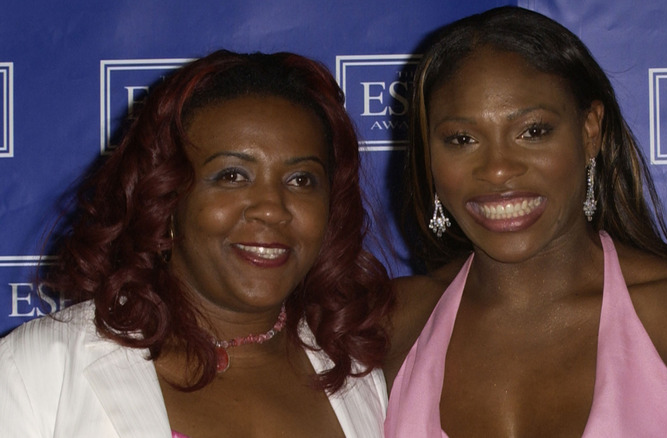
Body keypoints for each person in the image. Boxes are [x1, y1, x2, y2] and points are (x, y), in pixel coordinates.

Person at [383, 6, 667, 438]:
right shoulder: (390, 324)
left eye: (532, 131)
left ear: (590, 131)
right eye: (462, 139)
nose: (497, 169)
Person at [0, 49, 392, 437]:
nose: (272, 210)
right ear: (166, 197)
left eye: (301, 180)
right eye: (233, 176)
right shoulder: (38, 369)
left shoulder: (362, 375)